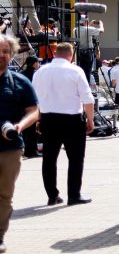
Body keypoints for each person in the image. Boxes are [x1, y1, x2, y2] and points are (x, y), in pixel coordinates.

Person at [31, 42, 95, 206]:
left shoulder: (40, 72)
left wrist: (38, 119)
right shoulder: (75, 70)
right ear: (70, 54)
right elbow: (87, 99)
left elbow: (35, 99)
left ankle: (52, 195)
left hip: (48, 118)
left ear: (55, 53)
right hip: (72, 119)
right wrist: (90, 119)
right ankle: (73, 195)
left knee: (49, 158)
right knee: (75, 159)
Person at [0, 34, 40, 252]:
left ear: (12, 54)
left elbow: (34, 111)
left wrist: (20, 126)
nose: (1, 55)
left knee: (5, 194)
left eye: (6, 51)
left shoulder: (20, 82)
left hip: (10, 148)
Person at [20, 57, 41, 157]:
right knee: (32, 130)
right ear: (33, 64)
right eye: (37, 62)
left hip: (22, 104)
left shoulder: (21, 74)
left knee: (26, 130)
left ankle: (27, 149)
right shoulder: (35, 74)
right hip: (32, 104)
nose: (39, 63)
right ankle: (32, 151)